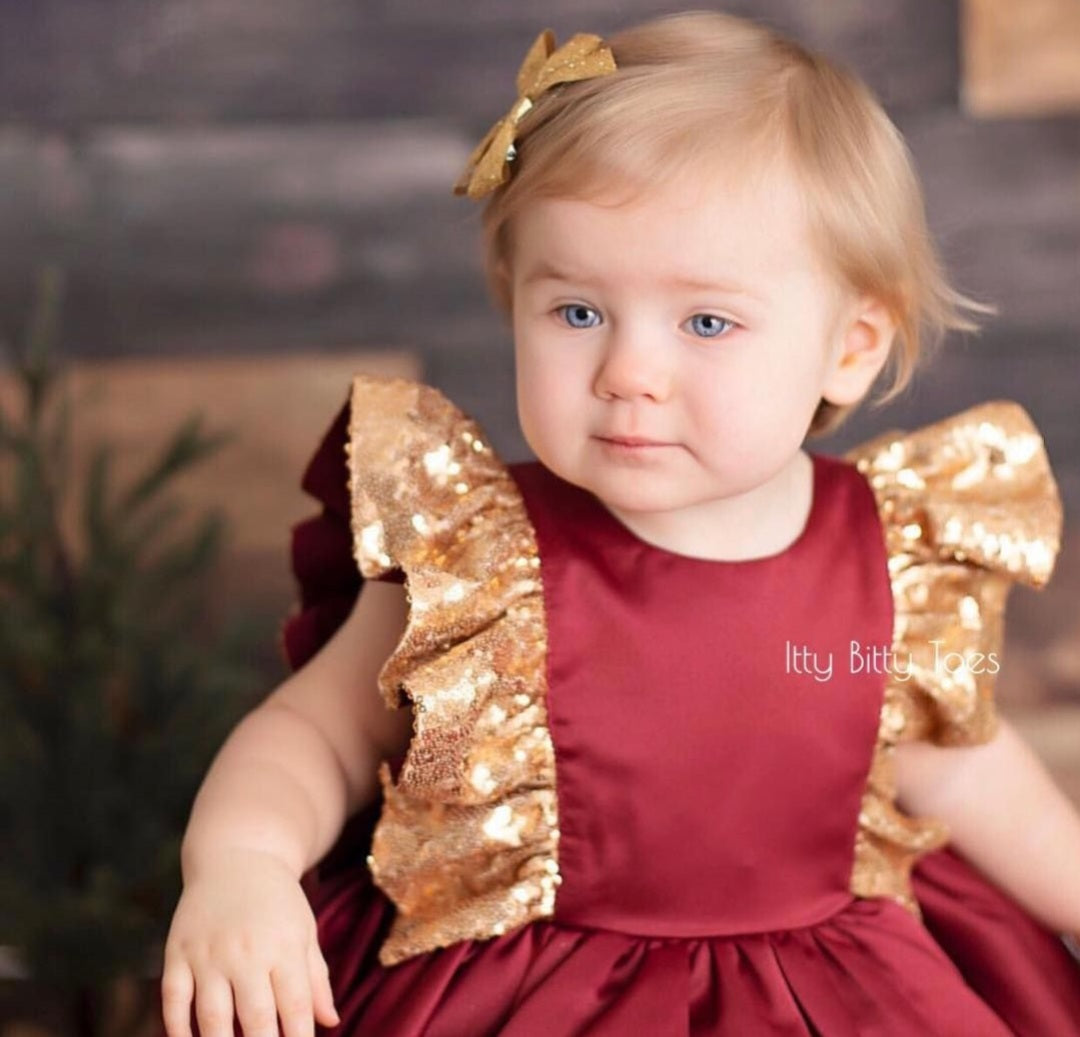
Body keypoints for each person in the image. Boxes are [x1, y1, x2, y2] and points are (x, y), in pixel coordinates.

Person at [160, 12, 1080, 1035]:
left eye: (706, 321)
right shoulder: (480, 559)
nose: (629, 373)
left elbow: (968, 767)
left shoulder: (890, 567)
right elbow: (312, 736)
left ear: (849, 347)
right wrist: (241, 864)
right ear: (514, 298)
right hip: (527, 995)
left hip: (839, 991)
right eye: (579, 312)